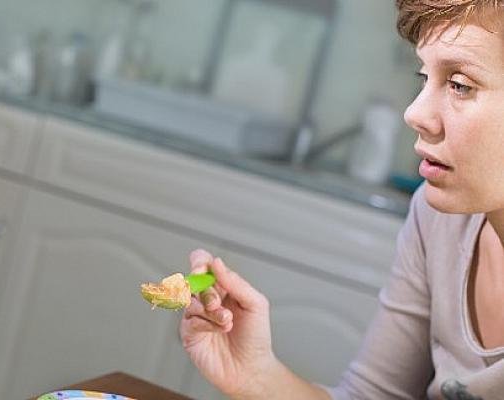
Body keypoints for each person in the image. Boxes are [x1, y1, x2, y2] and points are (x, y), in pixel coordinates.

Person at [180, 1, 504, 399]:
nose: (415, 113)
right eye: (425, 78)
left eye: (459, 84)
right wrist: (255, 376)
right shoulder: (436, 218)